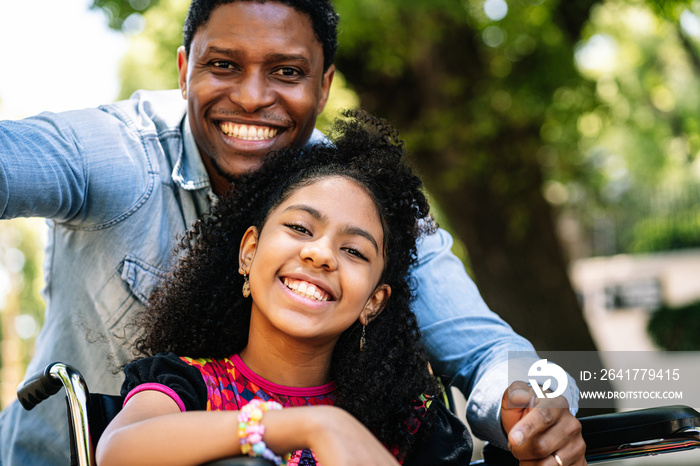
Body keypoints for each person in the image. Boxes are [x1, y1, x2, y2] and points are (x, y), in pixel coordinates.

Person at [0, 1, 585, 465]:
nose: (253, 98)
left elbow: (489, 351)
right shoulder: (116, 155)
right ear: (184, 70)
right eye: (224, 64)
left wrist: (532, 407)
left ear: (324, 85)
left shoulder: (369, 203)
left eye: (286, 72)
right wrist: (303, 425)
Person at [95, 112, 473, 466]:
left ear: (373, 302)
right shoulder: (186, 385)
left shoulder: (408, 422)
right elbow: (118, 450)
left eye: (354, 251)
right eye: (300, 228)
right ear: (249, 251)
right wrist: (313, 425)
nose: (321, 254)